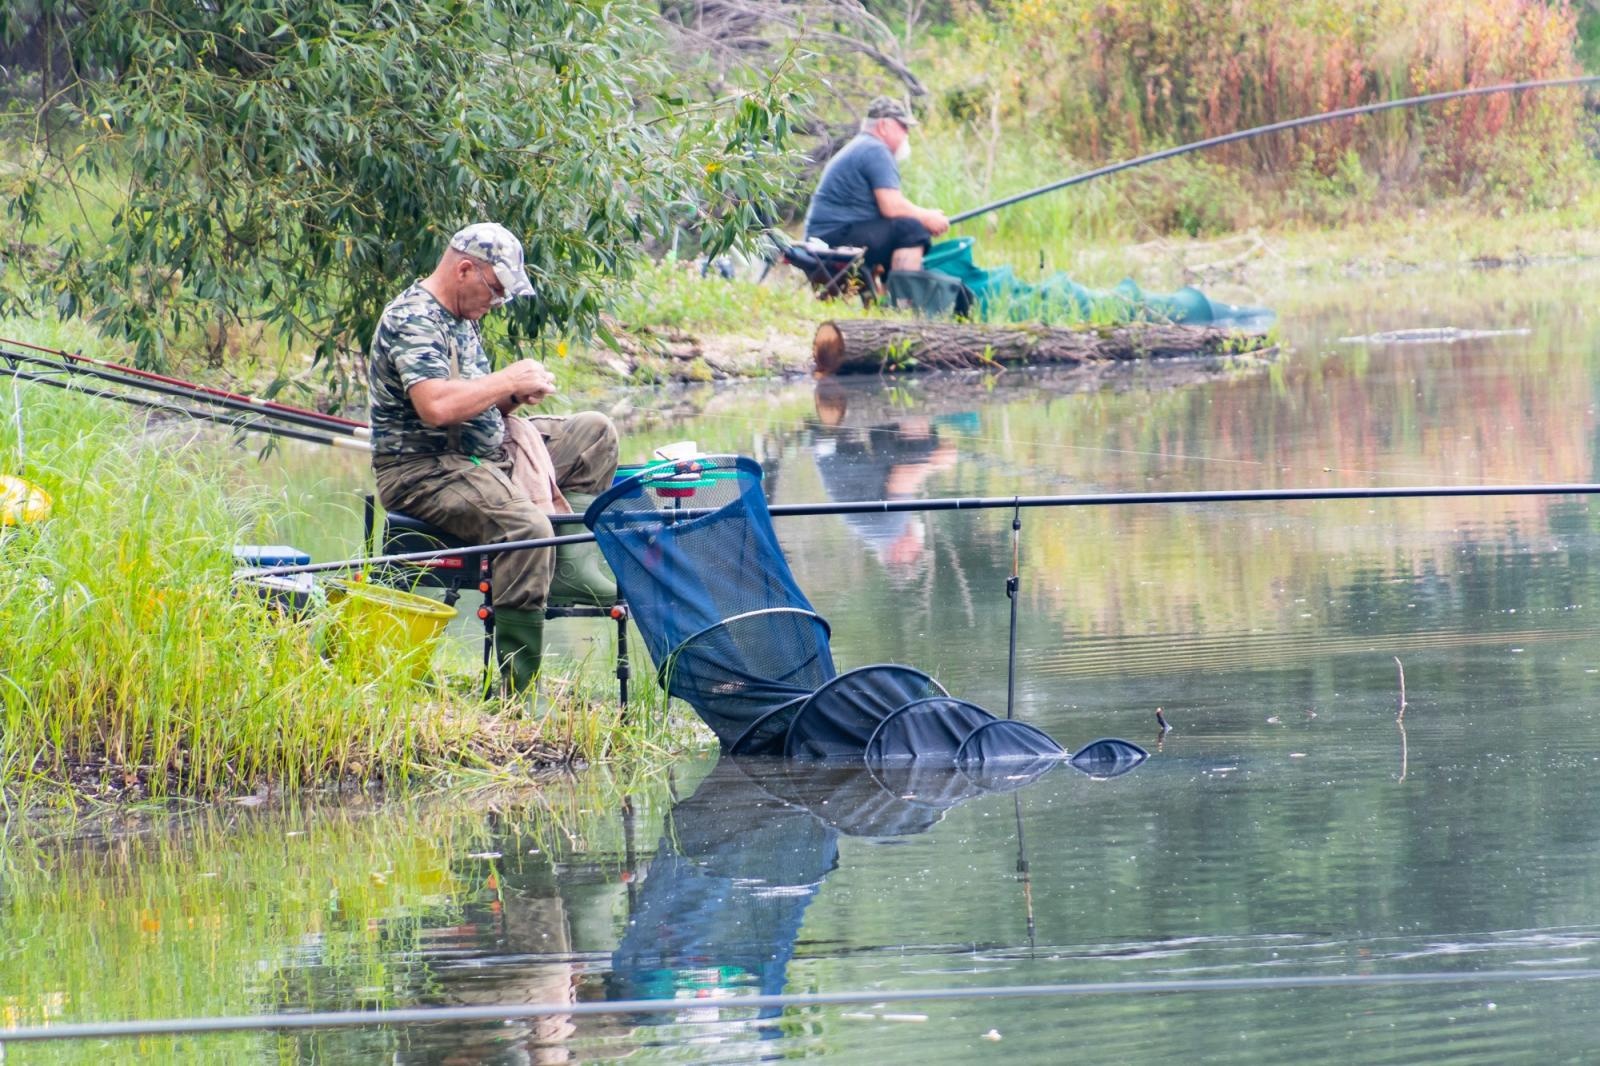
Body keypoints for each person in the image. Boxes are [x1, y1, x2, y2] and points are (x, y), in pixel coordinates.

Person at [367, 222, 619, 693]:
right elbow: (437, 407)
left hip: (484, 451)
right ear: (465, 269)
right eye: (496, 290)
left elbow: (476, 400)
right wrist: (505, 379)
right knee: (526, 529)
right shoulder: (414, 318)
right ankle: (515, 694)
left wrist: (514, 398)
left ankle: (566, 567)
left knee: (593, 435)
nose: (497, 303)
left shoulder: (463, 319)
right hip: (425, 470)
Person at [802, 96, 951, 288]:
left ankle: (885, 299)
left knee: (901, 229)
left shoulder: (863, 146)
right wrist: (927, 217)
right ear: (883, 126)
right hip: (833, 237)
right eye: (903, 127)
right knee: (912, 230)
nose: (907, 134)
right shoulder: (875, 150)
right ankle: (903, 302)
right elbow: (891, 207)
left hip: (824, 237)